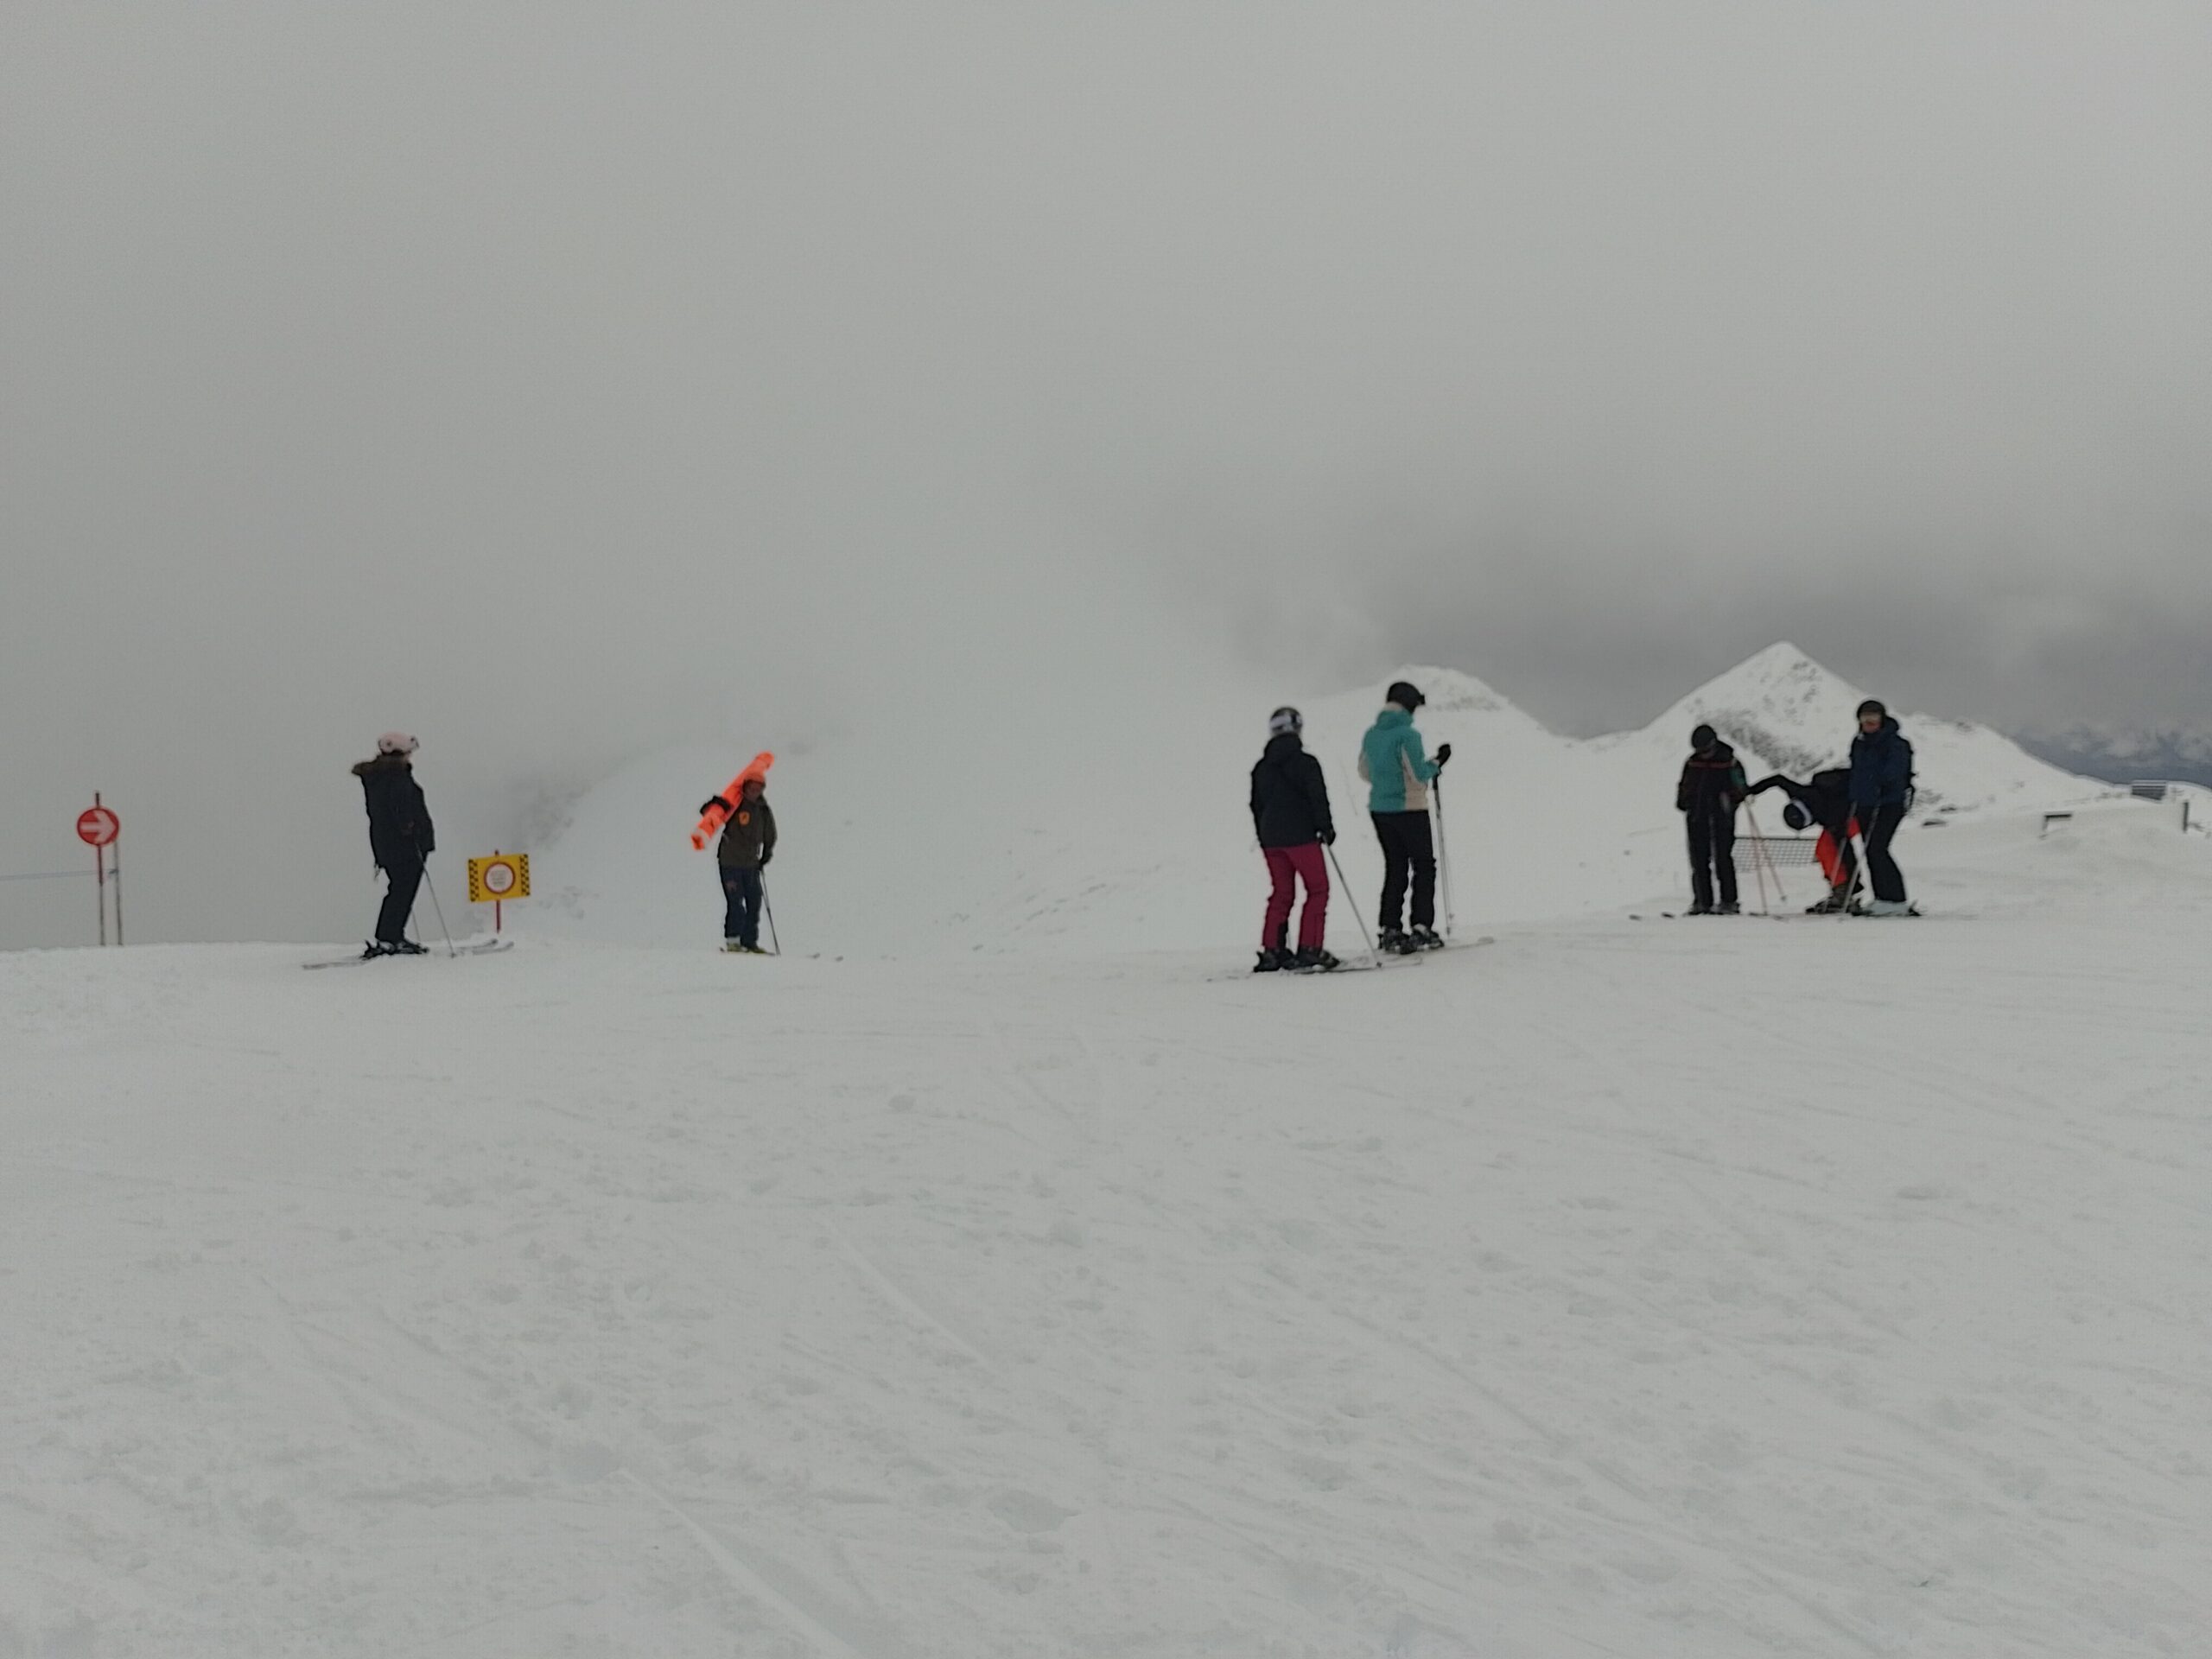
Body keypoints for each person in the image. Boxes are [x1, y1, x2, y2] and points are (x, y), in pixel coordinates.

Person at [1358, 681, 1450, 953]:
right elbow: (1419, 773)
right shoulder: (1408, 735)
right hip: (1409, 808)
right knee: (1423, 865)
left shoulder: (1371, 734)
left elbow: (1364, 772)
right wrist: (1437, 762)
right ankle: (1421, 927)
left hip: (1379, 808)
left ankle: (1390, 928)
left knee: (1395, 866)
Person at [1249, 706, 1339, 973]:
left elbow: (1256, 805)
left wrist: (1263, 834)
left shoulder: (1261, 768)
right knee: (1317, 889)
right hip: (1301, 837)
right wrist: (1326, 827)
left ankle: (1272, 950)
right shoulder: (1306, 763)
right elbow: (1317, 798)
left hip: (1271, 839)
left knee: (1282, 892)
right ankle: (1310, 947)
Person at [353, 733, 435, 957]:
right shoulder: (396, 777)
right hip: (405, 846)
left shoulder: (378, 777)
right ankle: (390, 937)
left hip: (386, 845)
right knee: (402, 891)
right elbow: (402, 811)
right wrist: (413, 831)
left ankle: (391, 935)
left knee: (398, 890)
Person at [1748, 767, 1859, 912]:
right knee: (1825, 849)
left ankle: (1843, 893)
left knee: (1829, 849)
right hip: (1848, 812)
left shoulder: (1828, 813)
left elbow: (1845, 850)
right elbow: (1778, 779)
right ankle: (1843, 890)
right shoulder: (1800, 795)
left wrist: (1749, 791)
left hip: (1855, 814)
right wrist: (1750, 791)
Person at [1849, 699, 1915, 916]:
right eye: (1864, 718)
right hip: (1865, 802)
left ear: (1882, 719)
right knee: (1870, 850)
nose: (1869, 722)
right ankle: (1882, 898)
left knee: (1878, 848)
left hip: (1889, 802)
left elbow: (1896, 770)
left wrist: (1882, 784)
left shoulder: (1895, 743)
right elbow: (1856, 771)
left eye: (1873, 718)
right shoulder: (1858, 743)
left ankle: (1896, 899)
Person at [1675, 725, 1748, 914]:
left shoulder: (1729, 762)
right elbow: (1684, 785)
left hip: (1722, 816)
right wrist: (1684, 802)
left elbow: (1741, 787)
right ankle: (1702, 901)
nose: (1702, 754)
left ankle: (1728, 901)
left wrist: (1730, 799)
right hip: (1697, 816)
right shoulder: (1692, 763)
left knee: (1722, 857)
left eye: (1705, 750)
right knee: (1698, 860)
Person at [702, 774, 777, 951]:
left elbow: (770, 834)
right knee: (736, 903)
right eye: (752, 787)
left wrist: (765, 855)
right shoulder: (734, 804)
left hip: (751, 864)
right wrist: (715, 804)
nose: (755, 791)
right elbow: (709, 814)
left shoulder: (763, 809)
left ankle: (749, 942)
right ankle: (733, 941)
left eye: (759, 788)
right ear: (745, 787)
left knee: (754, 902)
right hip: (730, 863)